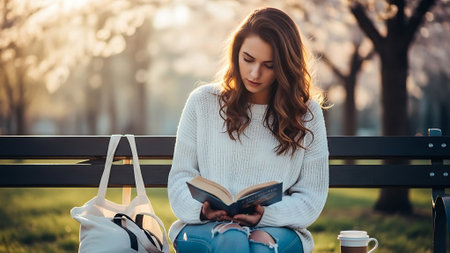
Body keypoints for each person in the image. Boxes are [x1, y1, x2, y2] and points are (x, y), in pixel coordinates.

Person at [168, 7, 329, 253]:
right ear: (236, 54)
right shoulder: (203, 102)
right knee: (232, 239)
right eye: (248, 59)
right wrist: (202, 209)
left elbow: (311, 197)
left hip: (278, 228)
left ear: (286, 66)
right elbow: (181, 178)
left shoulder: (306, 114)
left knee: (259, 246)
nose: (255, 73)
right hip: (203, 226)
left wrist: (266, 215)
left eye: (269, 65)